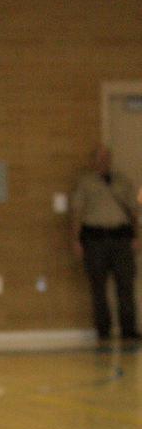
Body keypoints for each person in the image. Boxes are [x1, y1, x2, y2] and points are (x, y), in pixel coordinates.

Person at [72, 146, 139, 346]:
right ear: (94, 160)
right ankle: (104, 330)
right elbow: (77, 213)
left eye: (106, 158)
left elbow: (134, 212)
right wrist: (75, 240)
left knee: (125, 285)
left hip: (121, 238)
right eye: (100, 158)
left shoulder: (122, 182)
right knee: (98, 287)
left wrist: (137, 237)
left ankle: (129, 329)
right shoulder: (85, 183)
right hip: (95, 240)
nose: (104, 162)